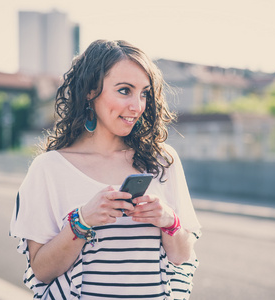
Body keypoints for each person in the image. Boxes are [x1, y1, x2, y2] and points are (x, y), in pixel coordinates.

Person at [10, 40, 201, 300]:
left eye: (144, 93)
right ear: (90, 91)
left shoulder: (163, 160)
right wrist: (81, 220)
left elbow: (182, 256)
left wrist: (169, 220)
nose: (137, 106)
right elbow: (42, 271)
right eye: (125, 90)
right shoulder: (49, 168)